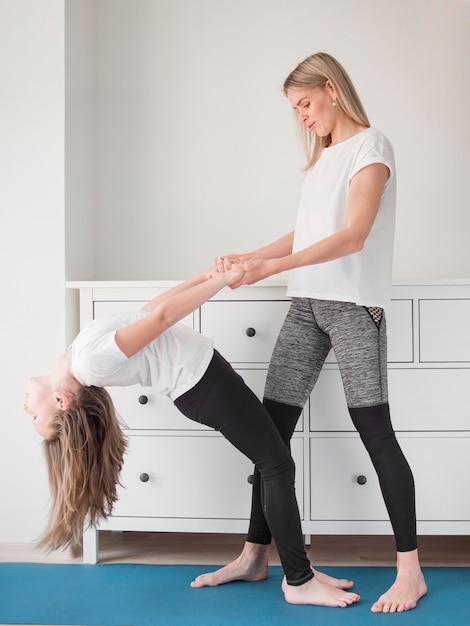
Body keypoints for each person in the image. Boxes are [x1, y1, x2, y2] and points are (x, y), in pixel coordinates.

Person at [197, 51, 428, 613]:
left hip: (353, 308)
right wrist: (251, 255)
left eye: (305, 103)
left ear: (330, 88)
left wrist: (267, 270)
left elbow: (353, 236)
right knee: (268, 430)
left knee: (374, 428)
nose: (302, 116)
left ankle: (411, 571)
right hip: (306, 306)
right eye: (295, 110)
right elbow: (308, 232)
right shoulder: (324, 157)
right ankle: (255, 555)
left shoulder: (373, 147)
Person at [24, 265, 360, 609]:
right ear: (61, 403)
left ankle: (254, 560)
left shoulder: (81, 355)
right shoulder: (89, 363)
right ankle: (299, 580)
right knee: (277, 466)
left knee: (270, 457)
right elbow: (163, 319)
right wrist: (222, 281)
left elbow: (149, 312)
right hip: (204, 387)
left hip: (206, 379)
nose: (26, 409)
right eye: (36, 417)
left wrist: (201, 277)